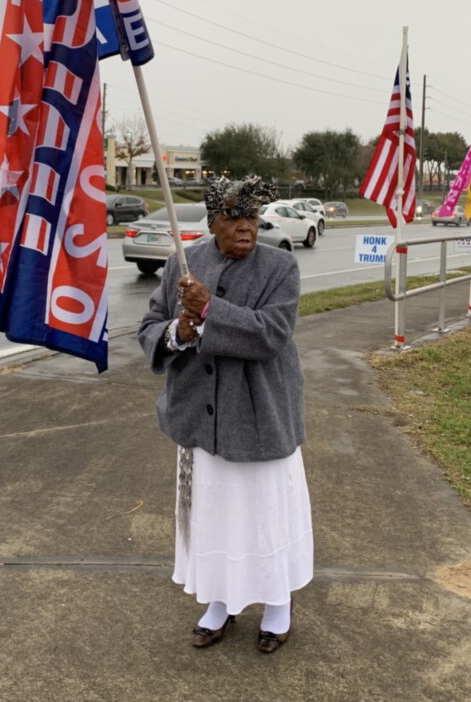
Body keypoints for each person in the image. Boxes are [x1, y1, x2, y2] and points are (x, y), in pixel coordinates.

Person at [138, 176, 313, 653]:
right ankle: (219, 603)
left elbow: (270, 334)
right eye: (233, 218)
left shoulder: (281, 266)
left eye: (252, 218)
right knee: (212, 517)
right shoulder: (184, 262)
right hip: (198, 420)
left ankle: (278, 605)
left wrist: (211, 308)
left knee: (266, 516)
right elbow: (150, 330)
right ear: (212, 222)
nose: (245, 228)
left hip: (260, 417)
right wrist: (181, 329)